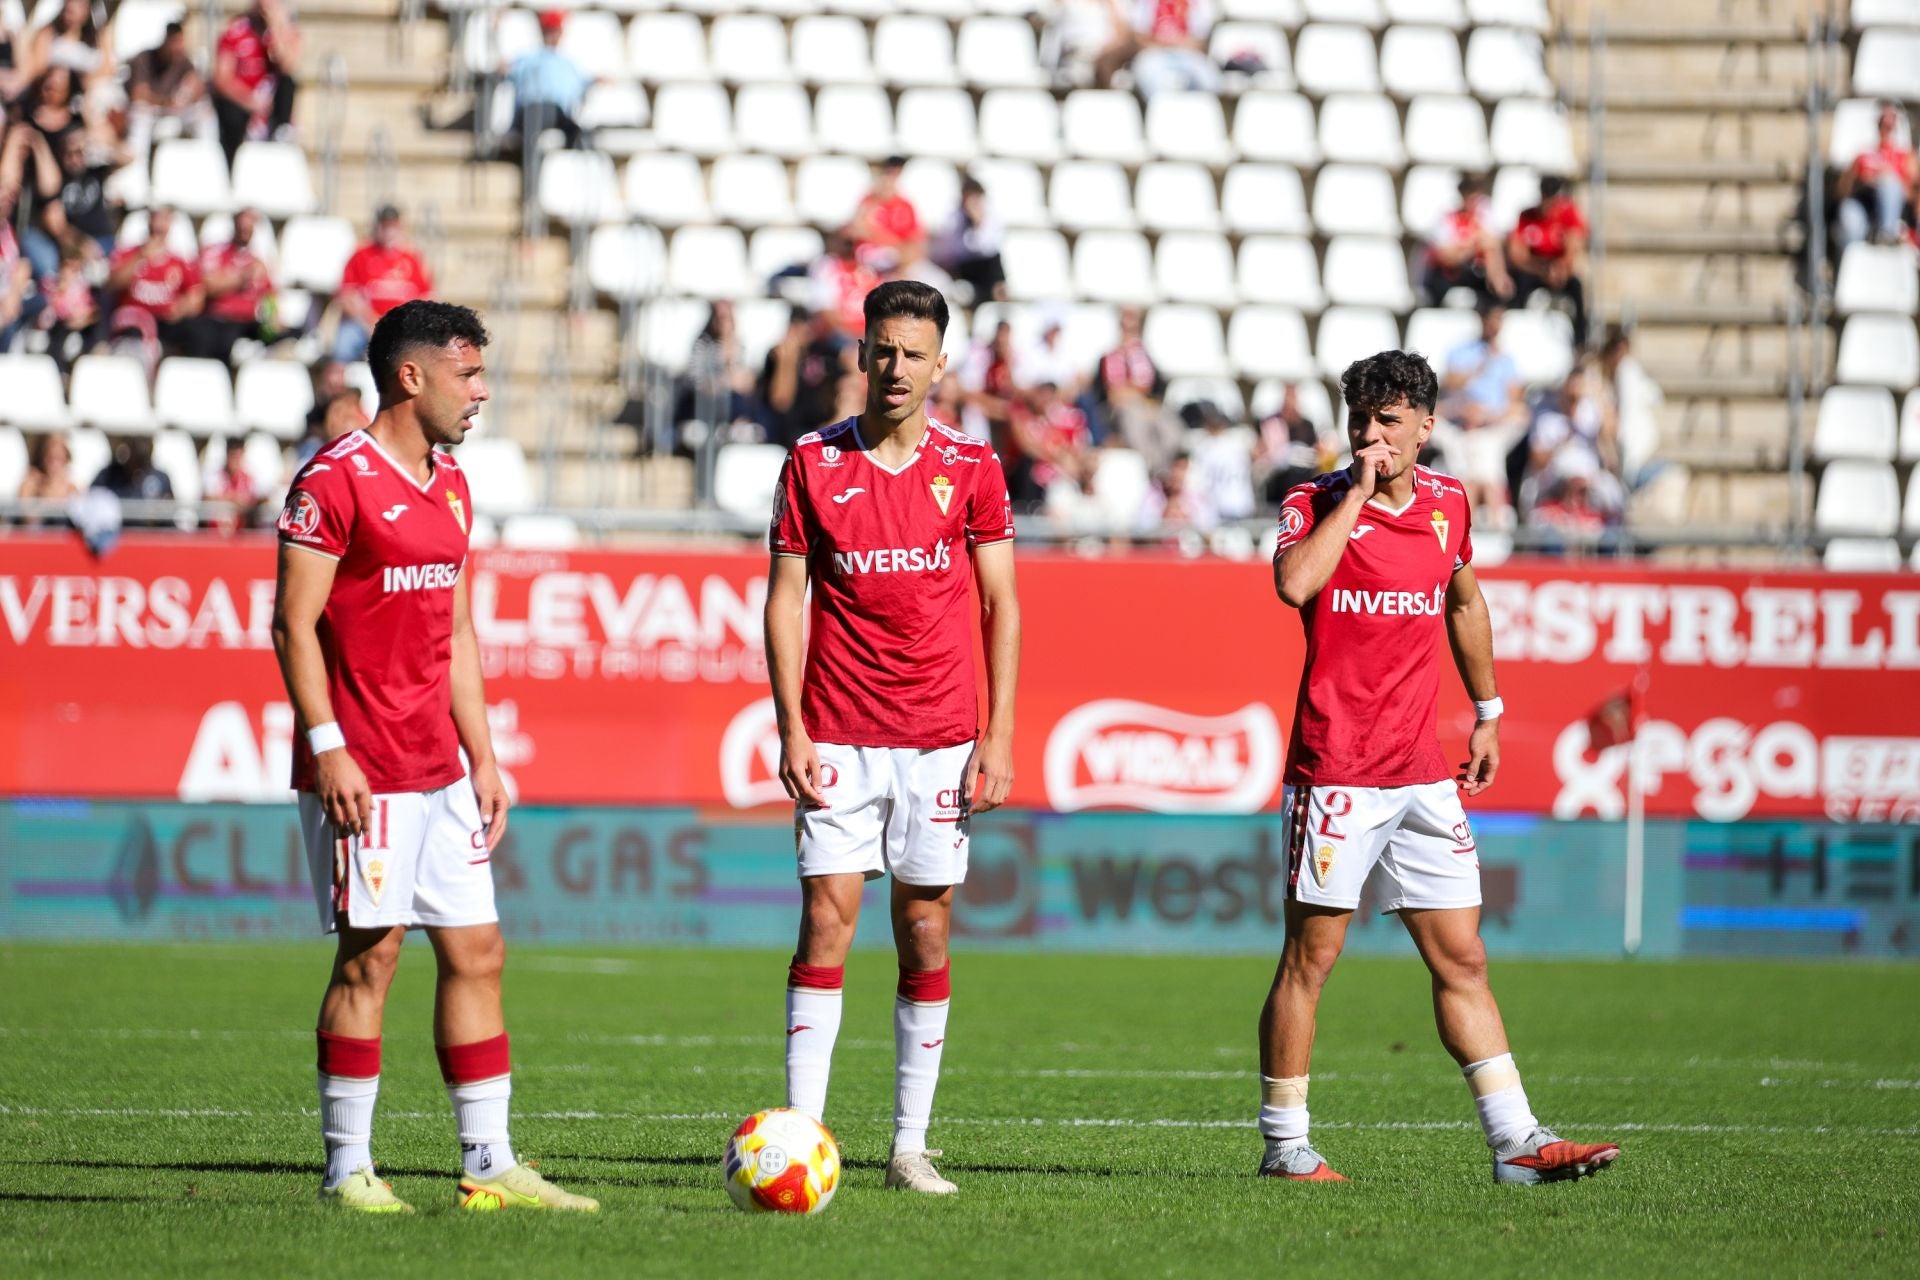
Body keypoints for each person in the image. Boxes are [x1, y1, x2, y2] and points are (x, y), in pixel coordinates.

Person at [1258, 348, 1620, 1185]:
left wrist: (1488, 710)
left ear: (1426, 426)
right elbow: (1294, 586)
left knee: (1463, 958)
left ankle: (1516, 1143)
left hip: (1420, 773)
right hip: (1336, 773)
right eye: (1359, 420)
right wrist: (1356, 495)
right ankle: (1285, 1148)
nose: (1371, 436)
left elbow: (1463, 599)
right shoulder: (1314, 501)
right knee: (1310, 961)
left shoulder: (1450, 504)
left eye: (1388, 421)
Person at [270, 299, 596, 1214]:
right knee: (372, 958)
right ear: (411, 376)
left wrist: (483, 758)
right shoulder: (332, 480)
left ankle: (489, 1161)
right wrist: (328, 748)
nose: (481, 391)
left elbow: (455, 630)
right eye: (468, 373)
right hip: (362, 767)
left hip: (440, 766)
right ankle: (347, 1171)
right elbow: (292, 624)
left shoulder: (450, 481)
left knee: (479, 950)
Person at [765, 279, 1019, 1198]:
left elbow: (1000, 603)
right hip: (838, 729)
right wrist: (791, 724)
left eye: (914, 353)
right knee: (825, 919)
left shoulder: (973, 466)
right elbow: (785, 600)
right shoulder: (811, 463)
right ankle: (803, 1135)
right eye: (883, 350)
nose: (896, 367)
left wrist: (998, 735)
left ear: (940, 363)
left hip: (940, 736)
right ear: (862, 354)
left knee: (924, 929)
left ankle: (910, 1145)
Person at [1436, 304, 1529, 522]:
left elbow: (1516, 402)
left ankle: (1484, 526)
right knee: (1482, 475)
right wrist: (1479, 367)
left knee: (1483, 472)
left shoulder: (1507, 360)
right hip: (1460, 425)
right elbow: (1450, 386)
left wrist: (1487, 415)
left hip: (1491, 428)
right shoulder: (1460, 351)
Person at [334, 205, 434, 362]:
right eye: (384, 226)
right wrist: (372, 323)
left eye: (392, 226)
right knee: (345, 341)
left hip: (402, 327)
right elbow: (347, 297)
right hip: (365, 325)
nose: (388, 231)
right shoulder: (361, 255)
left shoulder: (412, 258)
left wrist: (406, 324)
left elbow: (427, 297)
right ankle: (336, 374)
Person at [1088, 306, 1179, 470]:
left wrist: (1139, 395)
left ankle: (1168, 469)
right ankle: (1151, 469)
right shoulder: (1109, 357)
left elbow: (1150, 388)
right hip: (1119, 410)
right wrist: (1135, 392)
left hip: (1145, 406)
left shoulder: (1145, 356)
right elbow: (1114, 393)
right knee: (1136, 425)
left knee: (1170, 427)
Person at [213, 0, 300, 166]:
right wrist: (249, 101)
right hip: (242, 106)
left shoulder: (286, 31)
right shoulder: (236, 31)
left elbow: (287, 66)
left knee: (288, 84)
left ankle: (280, 133)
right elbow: (222, 79)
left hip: (270, 105)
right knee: (230, 113)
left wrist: (276, 27)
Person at [105, 206, 203, 352]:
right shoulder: (129, 254)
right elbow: (112, 284)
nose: (159, 225)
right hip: (133, 321)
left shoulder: (179, 261)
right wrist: (141, 256)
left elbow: (196, 296)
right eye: (156, 218)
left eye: (164, 219)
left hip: (166, 323)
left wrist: (182, 307)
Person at [1506, 176, 1590, 347]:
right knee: (1518, 285)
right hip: (1534, 270)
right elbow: (1517, 255)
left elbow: (1574, 246)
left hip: (1559, 270)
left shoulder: (1568, 215)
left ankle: (1580, 341)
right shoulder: (1526, 216)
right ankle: (1515, 333)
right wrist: (1542, 270)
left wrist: (1560, 268)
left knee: (1576, 287)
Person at [194, 206, 276, 362]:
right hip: (219, 320)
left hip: (248, 323)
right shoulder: (216, 253)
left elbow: (270, 296)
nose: (245, 230)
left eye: (249, 227)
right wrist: (240, 279)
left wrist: (275, 318)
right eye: (242, 226)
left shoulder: (258, 262)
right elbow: (205, 286)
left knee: (287, 335)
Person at [1419, 174, 1512, 309]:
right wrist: (1473, 247)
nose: (1473, 201)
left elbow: (1494, 245)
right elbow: (1445, 256)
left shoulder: (1483, 217)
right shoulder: (1448, 218)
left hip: (1475, 272)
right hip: (1450, 275)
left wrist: (1498, 273)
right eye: (1470, 196)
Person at [505, 10, 591, 155]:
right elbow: (509, 71)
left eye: (556, 32)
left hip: (555, 111)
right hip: (530, 109)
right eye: (550, 31)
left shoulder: (567, 62)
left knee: (577, 133)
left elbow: (583, 81)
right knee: (530, 131)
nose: (553, 36)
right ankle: (529, 165)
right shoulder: (529, 56)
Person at [128, 20, 213, 162]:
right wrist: (166, 102)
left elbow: (199, 89)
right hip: (152, 110)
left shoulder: (183, 60)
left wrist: (189, 92)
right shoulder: (145, 59)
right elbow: (138, 94)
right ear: (165, 41)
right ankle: (136, 164)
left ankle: (207, 160)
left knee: (205, 112)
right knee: (140, 114)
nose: (178, 47)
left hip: (177, 110)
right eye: (174, 42)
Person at [1096, 0, 1220, 96]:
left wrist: (1176, 42)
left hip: (1189, 54)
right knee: (1148, 76)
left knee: (1210, 80)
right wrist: (1161, 41)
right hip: (1155, 53)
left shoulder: (1199, 3)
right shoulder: (1147, 2)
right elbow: (1139, 35)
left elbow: (1201, 41)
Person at [1836, 101, 1915, 249]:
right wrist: (1867, 182)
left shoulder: (1905, 156)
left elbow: (1913, 194)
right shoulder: (1863, 155)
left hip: (1895, 208)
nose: (1887, 126)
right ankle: (1850, 257)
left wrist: (1888, 181)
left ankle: (1886, 234)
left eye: (1891, 122)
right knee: (1849, 216)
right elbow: (1843, 190)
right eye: (1883, 121)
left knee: (1889, 183)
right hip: (1863, 203)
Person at [931, 176, 1006, 306]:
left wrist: (978, 223)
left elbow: (988, 247)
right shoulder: (954, 219)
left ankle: (998, 293)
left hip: (985, 271)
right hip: (962, 268)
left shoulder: (991, 218)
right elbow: (954, 250)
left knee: (993, 261)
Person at [851, 156, 925, 273]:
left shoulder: (906, 205)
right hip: (872, 257)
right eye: (888, 173)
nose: (890, 180)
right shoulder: (868, 201)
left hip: (899, 258)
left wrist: (904, 253)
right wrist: (894, 244)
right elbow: (858, 229)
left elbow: (916, 239)